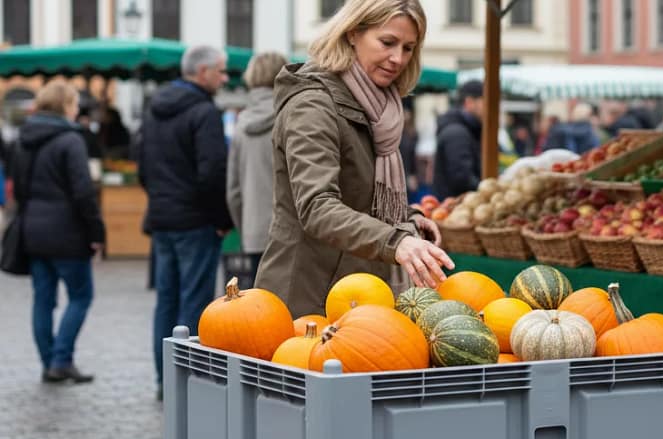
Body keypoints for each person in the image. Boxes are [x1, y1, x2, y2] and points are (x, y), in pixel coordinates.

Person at [254, 0, 452, 317]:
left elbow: (363, 195)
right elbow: (317, 206)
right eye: (387, 42)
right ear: (352, 34)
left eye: (408, 48)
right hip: (307, 297)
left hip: (358, 294)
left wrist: (408, 217)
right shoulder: (313, 106)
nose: (398, 58)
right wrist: (395, 240)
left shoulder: (379, 107)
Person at [139, 45, 233, 399]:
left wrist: (160, 202)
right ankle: (185, 381)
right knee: (193, 300)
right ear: (204, 71)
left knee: (166, 300)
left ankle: (165, 379)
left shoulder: (154, 110)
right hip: (195, 220)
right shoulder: (203, 112)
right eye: (221, 72)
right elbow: (213, 172)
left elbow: (144, 166)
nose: (224, 79)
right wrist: (222, 219)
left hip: (163, 218)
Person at [9, 81, 105, 383]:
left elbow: (18, 188)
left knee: (43, 300)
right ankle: (61, 360)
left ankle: (48, 362)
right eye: (75, 103)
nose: (77, 109)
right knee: (81, 295)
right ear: (65, 106)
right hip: (68, 232)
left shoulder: (23, 139)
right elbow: (83, 192)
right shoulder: (70, 139)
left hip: (33, 229)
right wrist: (96, 232)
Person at [226, 50, 288, 288]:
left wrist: (246, 230)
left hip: (254, 231)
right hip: (292, 234)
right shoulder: (293, 116)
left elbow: (233, 189)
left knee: (259, 309)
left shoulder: (242, 124)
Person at [432, 79, 483, 200]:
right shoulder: (457, 133)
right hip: (454, 208)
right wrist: (486, 189)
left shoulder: (465, 129)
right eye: (485, 101)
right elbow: (462, 178)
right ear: (469, 102)